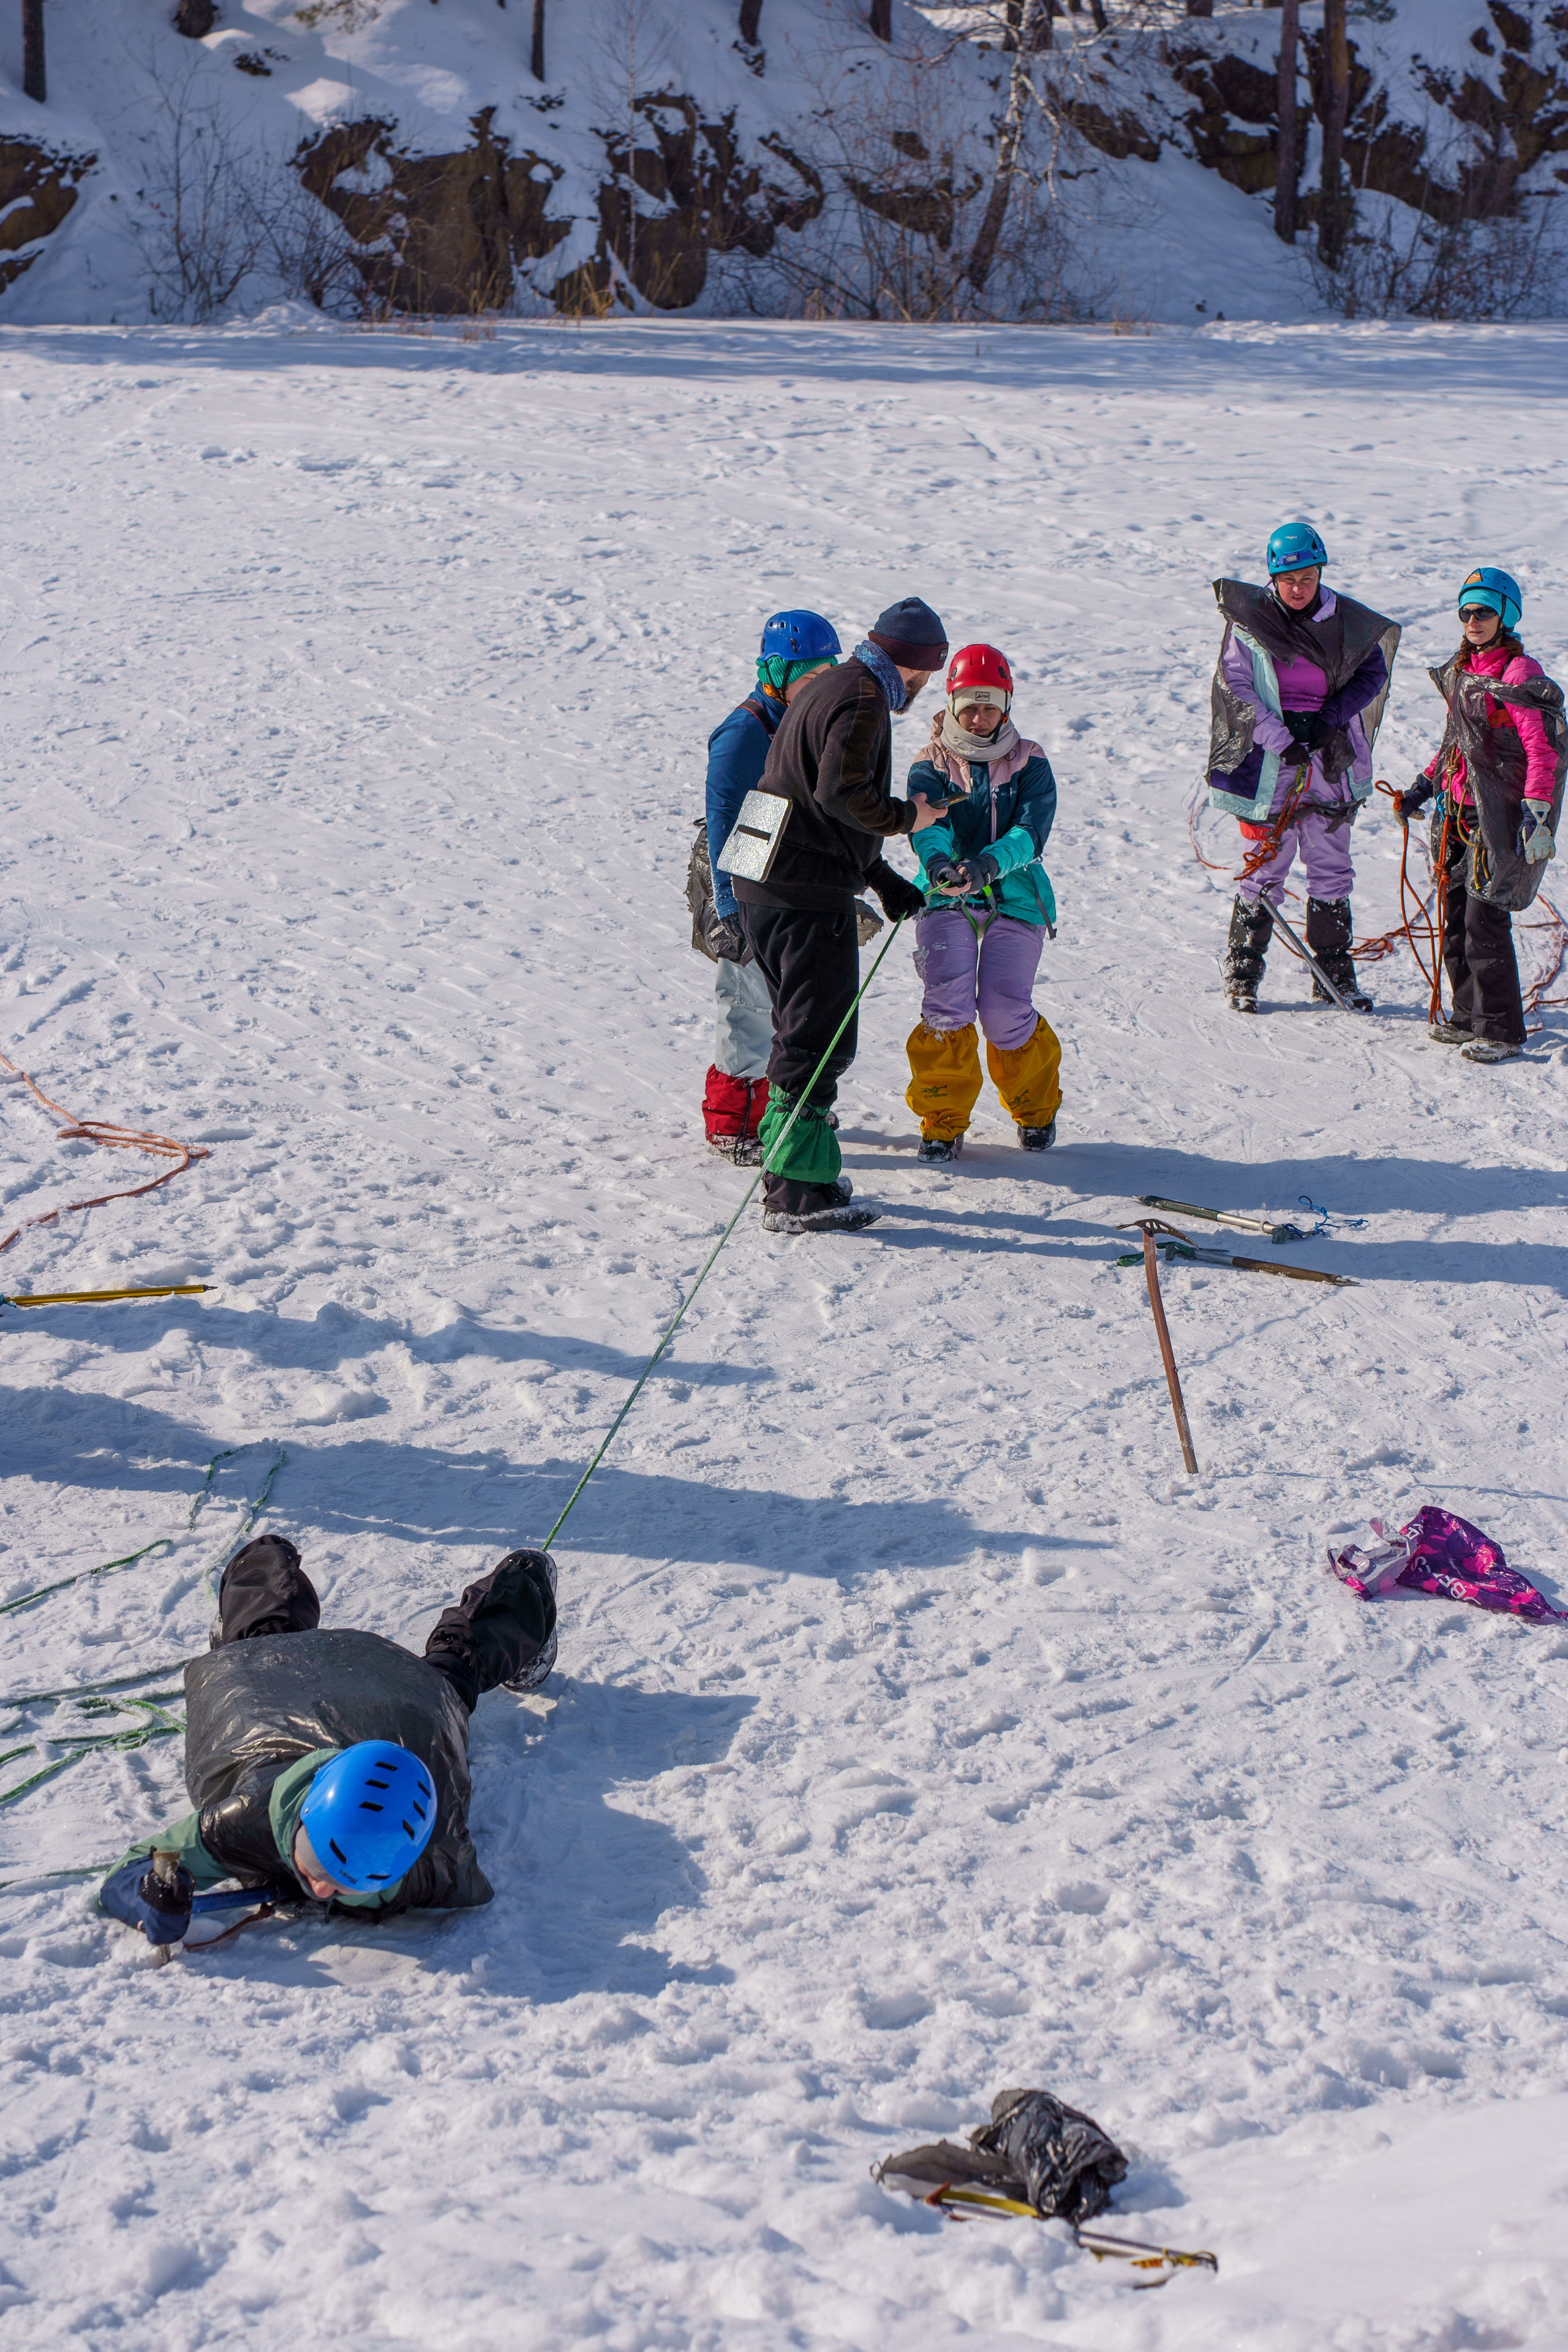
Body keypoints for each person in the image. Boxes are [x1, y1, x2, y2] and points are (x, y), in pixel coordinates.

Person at [97, 1532, 557, 1945]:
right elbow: (134, 1870)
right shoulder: (249, 1817)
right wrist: (147, 1898)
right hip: (306, 1710)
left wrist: (151, 1895)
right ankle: (265, 1566)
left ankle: (523, 1585)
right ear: (305, 1810)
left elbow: (140, 1872)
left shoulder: (436, 1864)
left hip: (401, 1703)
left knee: (447, 1675)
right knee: (259, 1659)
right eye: (319, 1867)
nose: (318, 1889)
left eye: (339, 1882)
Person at [734, 595, 948, 1235]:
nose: (921, 690)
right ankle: (797, 1194)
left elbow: (804, 795)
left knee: (797, 1028)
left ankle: (796, 1169)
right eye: (927, 678)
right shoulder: (862, 699)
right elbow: (838, 794)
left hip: (762, 874)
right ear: (911, 666)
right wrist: (910, 819)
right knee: (819, 1038)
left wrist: (880, 878)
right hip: (800, 891)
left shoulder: (827, 683)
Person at [1207, 521, 1400, 1014]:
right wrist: (1281, 738)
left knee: (1331, 866)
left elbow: (1372, 673)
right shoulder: (1250, 625)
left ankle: (1334, 971)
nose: (1298, 589)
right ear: (1273, 578)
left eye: (1308, 578)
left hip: (1328, 755)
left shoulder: (1347, 622)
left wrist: (1330, 718)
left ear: (1320, 574)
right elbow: (1236, 685)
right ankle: (1243, 970)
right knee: (1264, 864)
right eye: (1289, 580)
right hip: (1271, 760)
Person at [687, 611, 843, 1163]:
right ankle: (734, 1118)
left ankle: (785, 1105)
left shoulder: (816, 719)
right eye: (812, 672)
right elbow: (724, 815)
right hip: (744, 864)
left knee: (797, 996)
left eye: (831, 670)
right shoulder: (744, 731)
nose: (823, 683)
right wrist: (728, 906)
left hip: (796, 867)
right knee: (747, 994)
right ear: (777, 670)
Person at [1396, 567, 1566, 1065]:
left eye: (1484, 611)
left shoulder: (1518, 674)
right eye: (1466, 611)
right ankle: (1467, 1016)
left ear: (1505, 616)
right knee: (1453, 918)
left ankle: (1502, 1029)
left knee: (1483, 921)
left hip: (1495, 818)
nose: (1473, 619)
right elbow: (1457, 742)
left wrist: (1537, 810)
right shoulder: (1465, 668)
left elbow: (1542, 749)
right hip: (1456, 811)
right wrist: (1423, 786)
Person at [903, 643, 1062, 1162]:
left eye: (989, 705)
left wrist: (989, 864)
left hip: (1014, 896)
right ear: (951, 705)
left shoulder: (1030, 761)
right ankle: (943, 1120)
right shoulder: (929, 764)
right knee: (946, 1005)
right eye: (969, 705)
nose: (978, 716)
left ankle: (1035, 1109)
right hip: (946, 897)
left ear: (1006, 706)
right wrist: (940, 864)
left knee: (1003, 1010)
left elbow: (1031, 831)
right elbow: (929, 828)